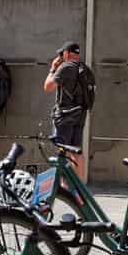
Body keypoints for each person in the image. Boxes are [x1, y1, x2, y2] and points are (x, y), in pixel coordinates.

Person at [44, 41, 87, 180]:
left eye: (62, 54)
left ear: (67, 53)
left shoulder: (65, 67)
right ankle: (81, 188)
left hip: (65, 114)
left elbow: (48, 87)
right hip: (80, 113)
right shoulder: (84, 68)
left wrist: (53, 68)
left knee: (64, 151)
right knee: (77, 151)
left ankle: (64, 185)